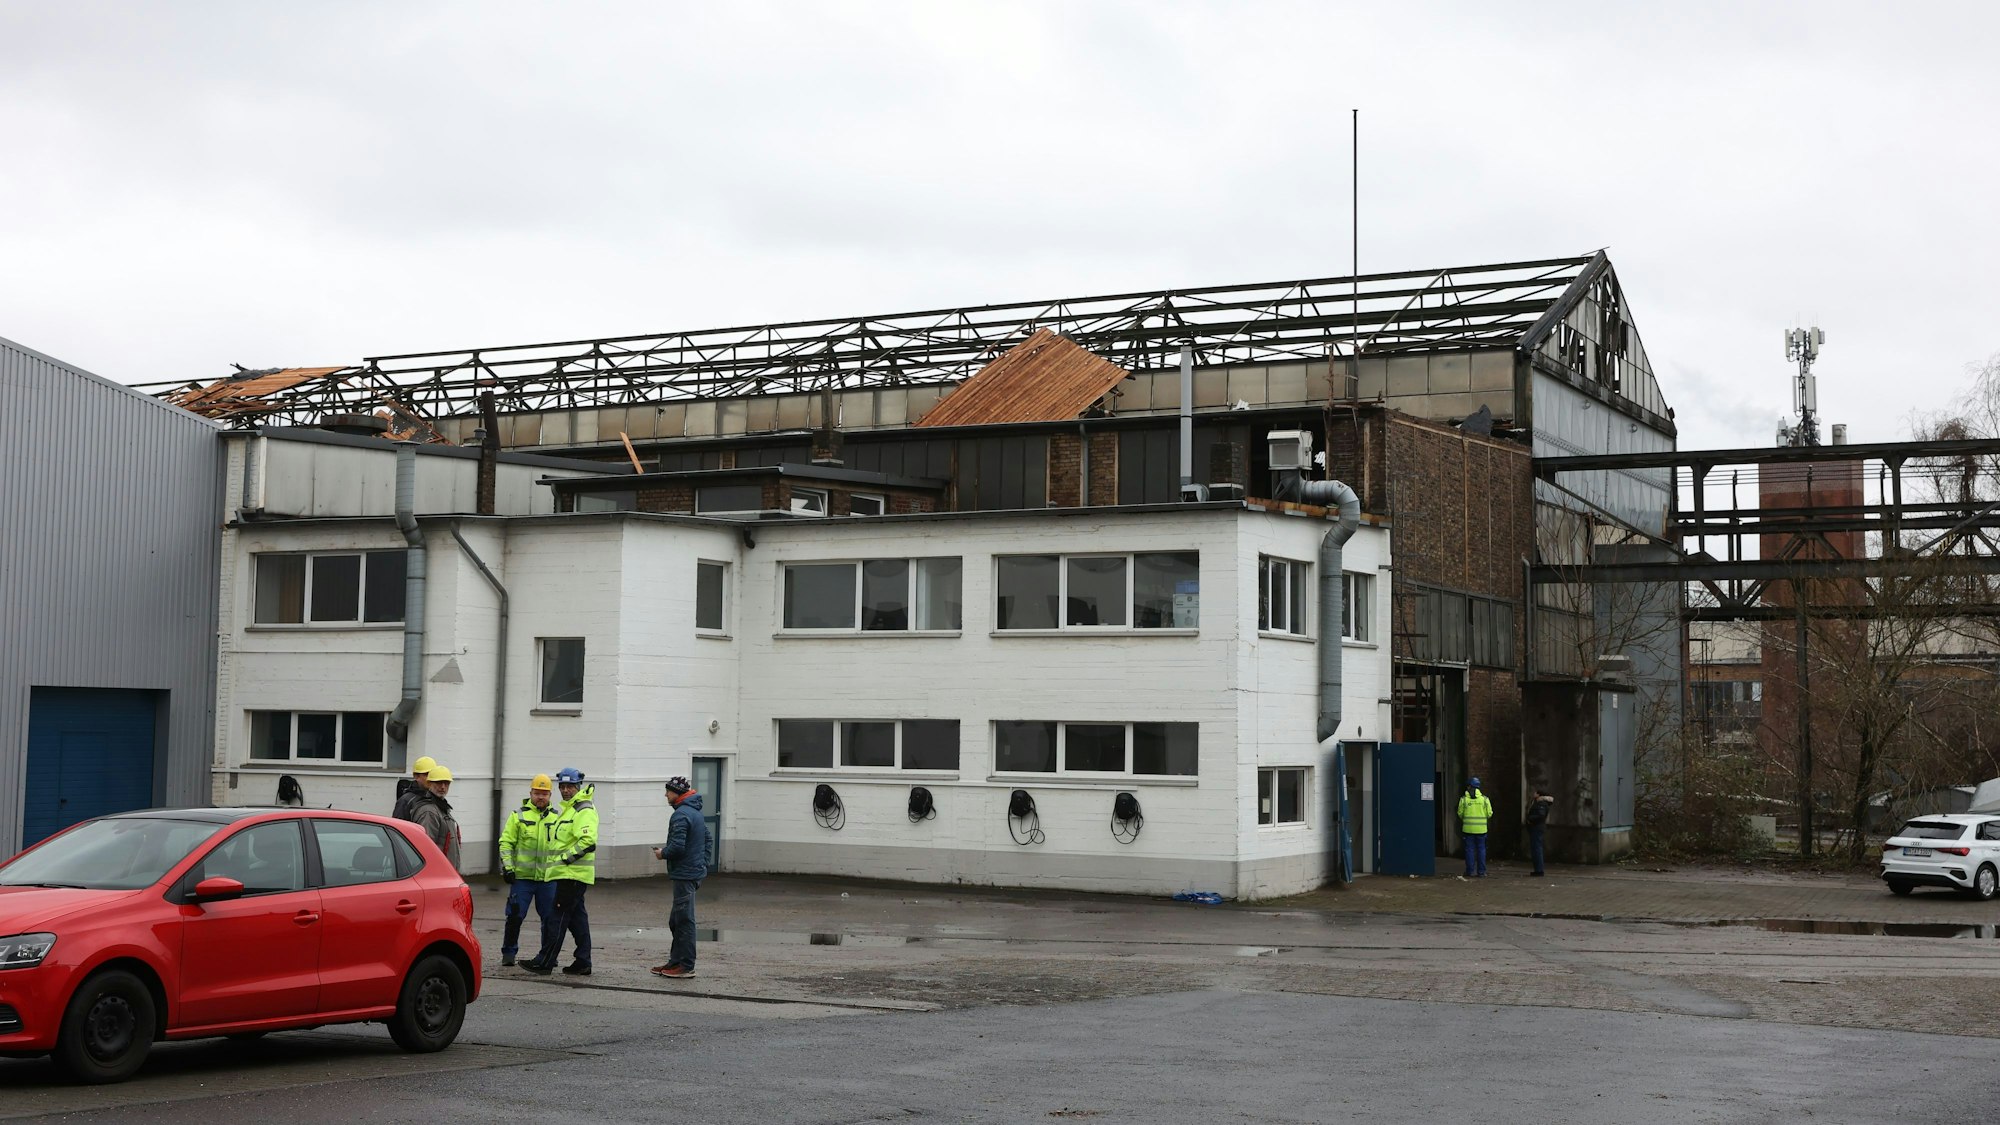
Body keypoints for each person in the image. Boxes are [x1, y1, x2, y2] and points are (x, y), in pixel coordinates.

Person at [522, 768, 596, 976]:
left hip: (571, 875)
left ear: (578, 787)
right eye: (562, 786)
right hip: (569, 875)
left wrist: (564, 859)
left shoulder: (583, 809)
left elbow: (588, 841)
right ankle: (583, 961)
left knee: (557, 918)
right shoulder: (570, 809)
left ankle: (545, 961)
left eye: (569, 786)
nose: (565, 790)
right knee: (577, 920)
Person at [650, 775, 710, 980]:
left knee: (684, 921)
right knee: (676, 920)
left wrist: (662, 853)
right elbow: (708, 838)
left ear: (677, 792)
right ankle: (675, 961)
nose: (665, 794)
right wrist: (703, 863)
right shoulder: (695, 812)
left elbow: (677, 847)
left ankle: (685, 966)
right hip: (692, 871)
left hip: (685, 874)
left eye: (668, 791)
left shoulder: (681, 815)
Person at [497, 774, 561, 967]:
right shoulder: (518, 816)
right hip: (522, 878)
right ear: (530, 793)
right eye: (537, 793)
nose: (540, 797)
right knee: (515, 915)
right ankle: (509, 953)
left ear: (550, 795)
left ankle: (548, 955)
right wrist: (508, 868)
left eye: (544, 794)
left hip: (548, 879)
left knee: (550, 918)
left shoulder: (557, 818)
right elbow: (506, 843)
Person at [410, 763, 462, 871]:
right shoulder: (429, 811)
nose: (443, 787)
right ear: (429, 784)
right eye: (438, 782)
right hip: (437, 873)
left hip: (446, 872)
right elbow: (425, 849)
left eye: (446, 783)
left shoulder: (441, 807)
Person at [1457, 776, 1493, 878]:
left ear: (1469, 786)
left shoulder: (1463, 800)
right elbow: (1489, 813)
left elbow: (1460, 813)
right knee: (1481, 850)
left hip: (1468, 830)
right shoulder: (1484, 799)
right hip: (1481, 830)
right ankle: (1481, 872)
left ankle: (1470, 871)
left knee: (1469, 850)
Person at [393, 755, 437, 821]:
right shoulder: (406, 801)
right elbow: (397, 825)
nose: (430, 778)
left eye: (432, 774)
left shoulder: (435, 797)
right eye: (426, 774)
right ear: (416, 776)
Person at [1525, 786, 1554, 877]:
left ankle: (1539, 870)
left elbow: (1540, 815)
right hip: (1537, 827)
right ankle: (1538, 869)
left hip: (1536, 827)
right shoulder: (1539, 803)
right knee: (1536, 848)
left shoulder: (1541, 804)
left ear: (1539, 794)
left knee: (1537, 848)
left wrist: (1530, 819)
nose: (1534, 794)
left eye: (1535, 793)